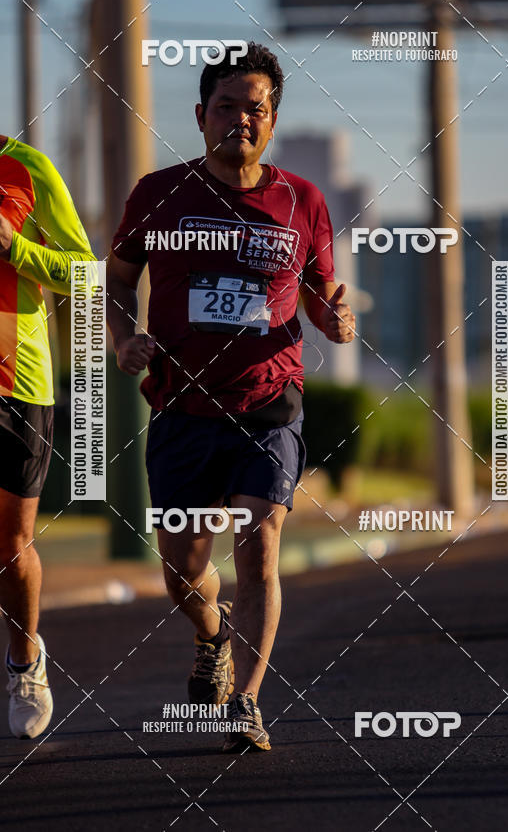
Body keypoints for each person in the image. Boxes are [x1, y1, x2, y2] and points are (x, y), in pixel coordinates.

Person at [106, 41, 355, 752]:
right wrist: (125, 338)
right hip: (183, 407)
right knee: (183, 570)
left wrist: (335, 318)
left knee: (259, 546)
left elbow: (320, 295)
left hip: (269, 403)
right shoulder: (159, 194)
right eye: (226, 107)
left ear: (272, 121)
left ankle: (245, 701)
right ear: (200, 114)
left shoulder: (302, 201)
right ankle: (212, 636)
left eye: (256, 109)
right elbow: (118, 280)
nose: (240, 120)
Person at [0, 135, 95, 738]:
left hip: (18, 382)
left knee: (11, 545)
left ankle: (24, 659)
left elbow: (85, 274)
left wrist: (15, 247)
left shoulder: (26, 167)